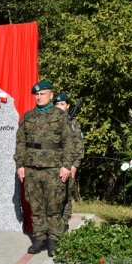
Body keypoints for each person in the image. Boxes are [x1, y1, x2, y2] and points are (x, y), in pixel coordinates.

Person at [14, 80, 75, 256]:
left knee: (54, 204)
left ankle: (53, 239)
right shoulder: (28, 116)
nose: (39, 97)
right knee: (36, 204)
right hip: (32, 168)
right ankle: (39, 238)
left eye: (43, 94)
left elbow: (69, 142)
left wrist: (66, 165)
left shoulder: (60, 116)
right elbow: (21, 142)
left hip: (53, 168)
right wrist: (20, 164)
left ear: (50, 95)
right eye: (37, 94)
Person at [54, 93, 85, 230]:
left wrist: (75, 165)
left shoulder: (73, 123)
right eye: (57, 104)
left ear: (67, 106)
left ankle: (64, 223)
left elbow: (79, 145)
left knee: (66, 195)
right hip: (53, 165)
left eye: (62, 104)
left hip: (69, 165)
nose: (59, 107)